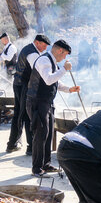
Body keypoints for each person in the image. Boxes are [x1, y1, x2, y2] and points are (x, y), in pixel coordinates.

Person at [26, 40, 80, 177]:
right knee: (40, 134)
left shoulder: (52, 62)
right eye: (65, 54)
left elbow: (56, 82)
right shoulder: (44, 60)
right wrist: (64, 69)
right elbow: (48, 79)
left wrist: (69, 89)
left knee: (48, 134)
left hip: (47, 102)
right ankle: (36, 168)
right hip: (37, 102)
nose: (64, 58)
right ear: (59, 51)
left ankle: (46, 164)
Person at [6, 34, 50, 154]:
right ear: (37, 42)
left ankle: (16, 144)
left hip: (19, 84)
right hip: (23, 86)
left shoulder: (29, 49)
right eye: (44, 45)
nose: (45, 48)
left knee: (22, 115)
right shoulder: (33, 54)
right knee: (26, 116)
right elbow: (39, 70)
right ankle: (26, 146)